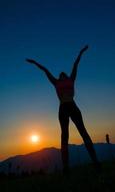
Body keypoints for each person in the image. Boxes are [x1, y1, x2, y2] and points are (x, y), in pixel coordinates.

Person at [26, 45, 100, 175]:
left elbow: (76, 64)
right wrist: (34, 62)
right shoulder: (56, 82)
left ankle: (95, 162)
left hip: (73, 106)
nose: (62, 74)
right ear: (59, 78)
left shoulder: (71, 79)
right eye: (60, 75)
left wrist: (81, 52)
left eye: (63, 74)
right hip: (63, 108)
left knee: (84, 132)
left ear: (67, 76)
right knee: (64, 136)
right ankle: (66, 168)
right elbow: (45, 70)